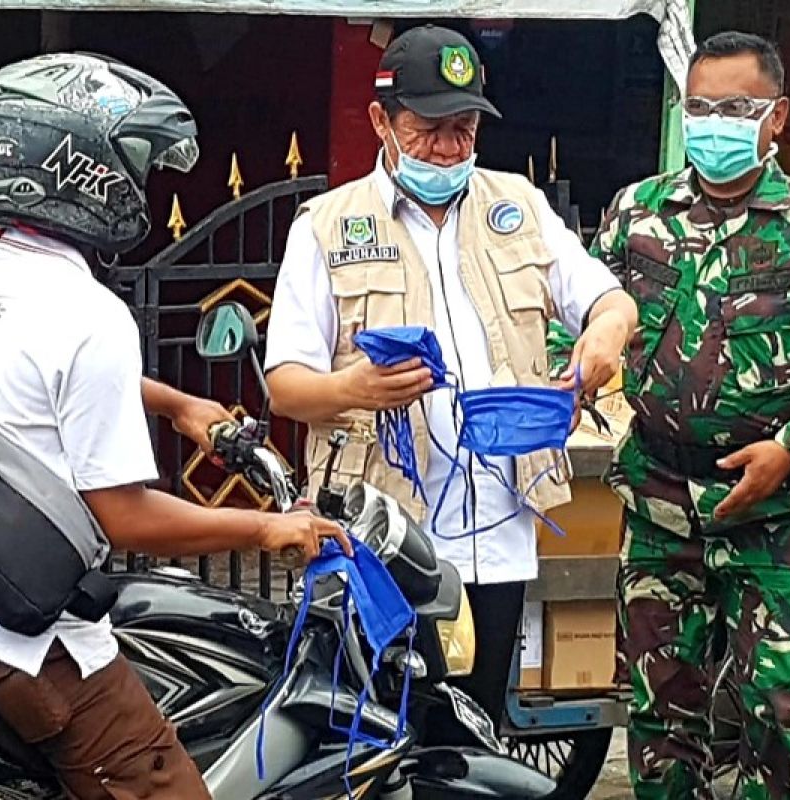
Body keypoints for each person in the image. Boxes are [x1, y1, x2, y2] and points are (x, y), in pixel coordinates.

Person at [0, 53, 348, 800]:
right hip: (9, 636)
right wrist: (264, 532)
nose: (143, 183)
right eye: (133, 164)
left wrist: (177, 405)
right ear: (82, 170)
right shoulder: (92, 316)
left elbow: (33, 378)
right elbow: (120, 515)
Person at [264, 24, 637, 734]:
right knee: (377, 733)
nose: (448, 150)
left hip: (497, 538)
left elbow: (609, 300)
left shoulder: (517, 206)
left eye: (464, 130)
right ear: (382, 120)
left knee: (475, 730)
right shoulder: (328, 226)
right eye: (429, 130)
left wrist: (605, 334)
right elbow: (285, 384)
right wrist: (355, 391)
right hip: (383, 543)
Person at [590, 32, 790, 799]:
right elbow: (587, 320)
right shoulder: (637, 214)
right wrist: (575, 366)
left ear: (777, 117)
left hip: (775, 514)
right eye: (700, 108)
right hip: (661, 503)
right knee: (662, 718)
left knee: (788, 713)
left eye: (736, 107)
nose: (714, 123)